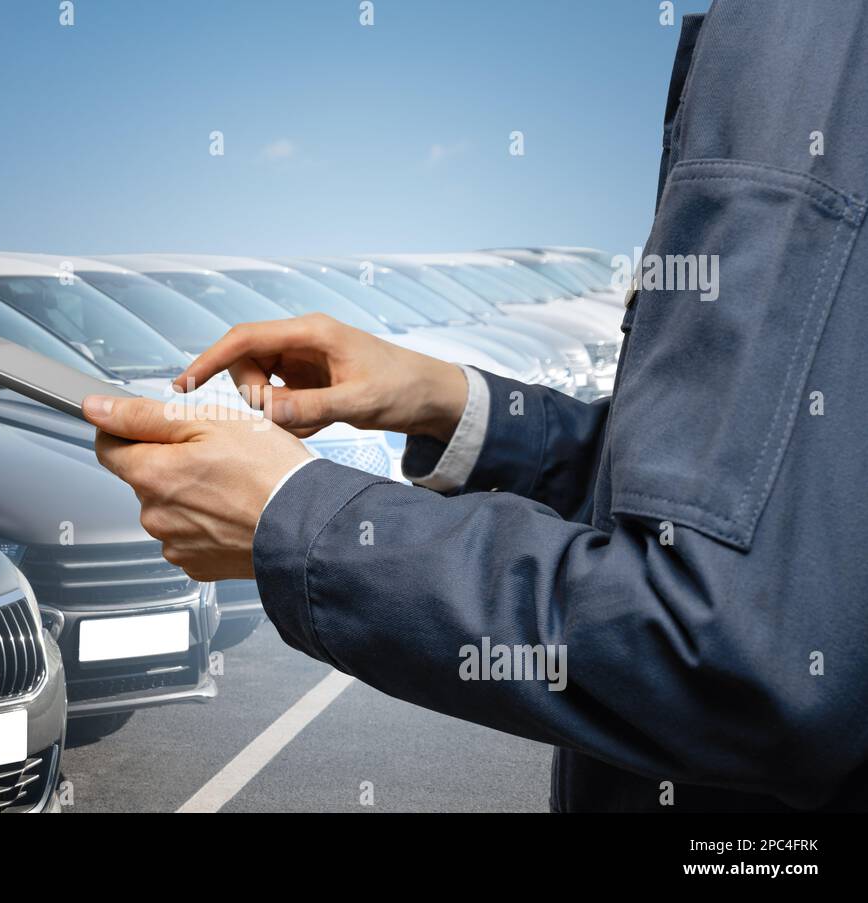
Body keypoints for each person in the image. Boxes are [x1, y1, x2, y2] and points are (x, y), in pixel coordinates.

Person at [83, 0, 868, 812]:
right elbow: (762, 504)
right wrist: (449, 402)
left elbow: (732, 652)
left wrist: (295, 519)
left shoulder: (803, 40)